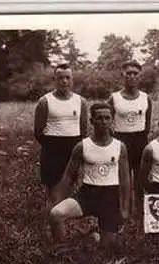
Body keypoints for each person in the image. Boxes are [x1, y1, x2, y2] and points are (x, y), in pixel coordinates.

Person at [47, 102, 131, 250]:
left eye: (107, 118)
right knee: (56, 214)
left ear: (112, 120)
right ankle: (60, 249)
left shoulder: (120, 147)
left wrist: (124, 208)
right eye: (99, 118)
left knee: (107, 247)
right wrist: (57, 199)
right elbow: (68, 176)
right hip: (88, 194)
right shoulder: (82, 146)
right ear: (92, 121)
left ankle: (94, 236)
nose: (104, 122)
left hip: (110, 197)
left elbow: (125, 180)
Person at [34, 62, 88, 203]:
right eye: (60, 78)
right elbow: (38, 131)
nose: (64, 81)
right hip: (52, 150)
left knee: (71, 189)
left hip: (73, 149)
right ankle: (54, 219)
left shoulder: (80, 101)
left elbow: (83, 130)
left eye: (67, 78)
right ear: (54, 80)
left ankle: (66, 221)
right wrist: (52, 146)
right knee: (54, 194)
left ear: (72, 80)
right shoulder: (45, 101)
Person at [108, 60, 152, 217]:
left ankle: (140, 211)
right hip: (121, 140)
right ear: (123, 75)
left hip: (140, 139)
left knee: (140, 178)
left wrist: (141, 137)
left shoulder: (146, 98)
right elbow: (108, 122)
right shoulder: (114, 98)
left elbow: (147, 124)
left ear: (140, 76)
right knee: (122, 178)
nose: (132, 76)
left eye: (135, 73)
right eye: (129, 73)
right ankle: (123, 211)